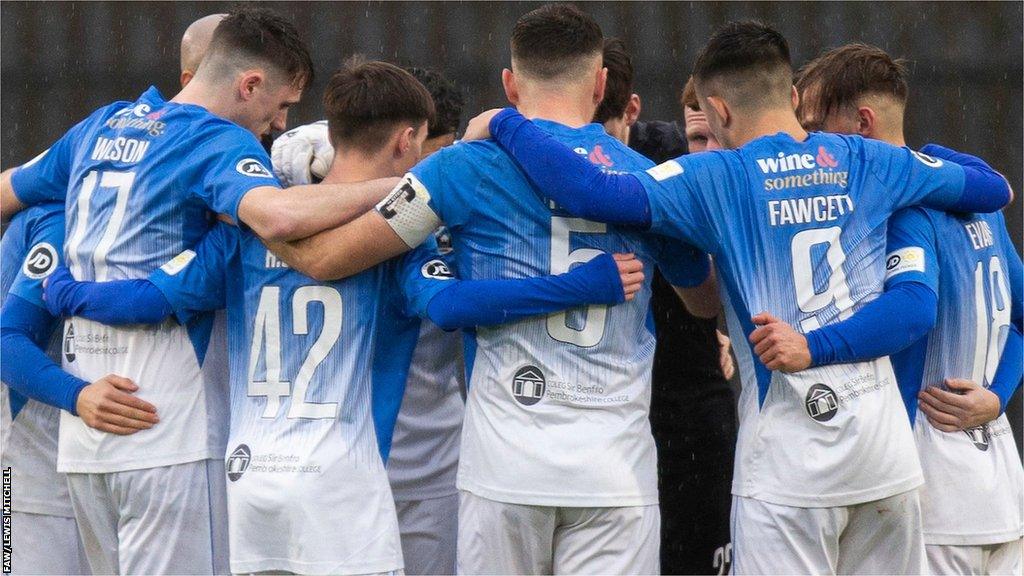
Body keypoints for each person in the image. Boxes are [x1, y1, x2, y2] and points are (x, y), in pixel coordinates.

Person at [42, 57, 646, 574]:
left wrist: (65, 292)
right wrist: (571, 286)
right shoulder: (401, 240)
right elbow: (449, 303)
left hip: (251, 484)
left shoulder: (245, 232)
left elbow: (152, 298)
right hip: (343, 491)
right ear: (409, 141)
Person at [459, 20, 1012, 575]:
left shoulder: (718, 175)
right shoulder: (871, 161)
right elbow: (994, 190)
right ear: (793, 96)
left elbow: (592, 192)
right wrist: (925, 161)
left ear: (718, 112)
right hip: (885, 464)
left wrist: (507, 123)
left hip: (790, 467)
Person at [258, 5, 714, 573]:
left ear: (508, 83)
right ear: (601, 85)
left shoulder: (457, 170)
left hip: (504, 469)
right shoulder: (644, 179)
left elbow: (329, 259)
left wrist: (256, 219)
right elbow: (704, 302)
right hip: (614, 474)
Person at [0, 6, 404, 572]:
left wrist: (66, 275)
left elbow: (10, 190)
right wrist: (410, 184)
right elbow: (280, 219)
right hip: (168, 429)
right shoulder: (218, 143)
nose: (279, 125)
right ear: (250, 85)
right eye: (282, 105)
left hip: (85, 442)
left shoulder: (100, 125)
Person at [790, 43, 1023, 575]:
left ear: (863, 124)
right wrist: (998, 396)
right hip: (1000, 489)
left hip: (934, 492)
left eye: (813, 125)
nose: (804, 142)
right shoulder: (980, 206)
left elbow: (913, 311)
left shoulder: (903, 208)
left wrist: (809, 347)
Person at [270, 64, 470, 576]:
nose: (429, 171)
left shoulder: (468, 196)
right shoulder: (302, 184)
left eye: (442, 155)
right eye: (424, 154)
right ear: (405, 140)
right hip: (328, 467)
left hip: (430, 467)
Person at [596, 38, 736, 575]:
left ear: (630, 110)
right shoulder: (545, 163)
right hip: (600, 415)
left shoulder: (682, 158)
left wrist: (720, 324)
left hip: (688, 412)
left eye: (602, 125)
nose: (586, 142)